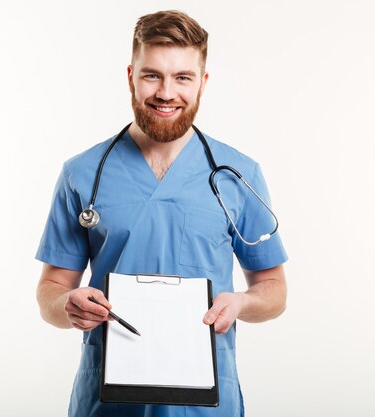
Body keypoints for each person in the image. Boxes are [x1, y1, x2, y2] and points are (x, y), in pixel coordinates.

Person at [35, 10, 288, 417]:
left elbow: (274, 289)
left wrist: (240, 303)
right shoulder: (82, 174)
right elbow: (50, 288)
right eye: (152, 75)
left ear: (202, 82)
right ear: (131, 76)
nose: (166, 93)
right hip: (108, 403)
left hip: (207, 404)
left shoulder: (238, 175)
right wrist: (67, 303)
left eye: (183, 77)